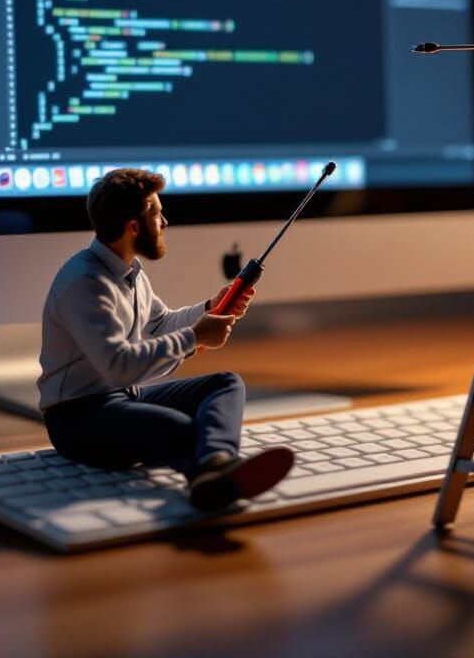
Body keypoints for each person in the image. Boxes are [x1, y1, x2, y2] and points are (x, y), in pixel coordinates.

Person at [37, 167, 293, 512]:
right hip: (77, 419)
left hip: (121, 398)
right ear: (133, 227)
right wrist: (196, 336)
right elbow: (118, 366)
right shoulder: (85, 283)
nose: (165, 221)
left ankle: (216, 462)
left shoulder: (129, 272)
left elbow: (159, 323)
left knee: (226, 384)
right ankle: (210, 479)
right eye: (157, 213)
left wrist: (210, 308)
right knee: (182, 430)